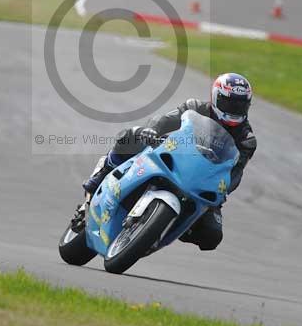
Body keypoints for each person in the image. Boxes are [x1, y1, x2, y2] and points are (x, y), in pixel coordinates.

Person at [81, 72, 257, 251]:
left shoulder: (246, 139)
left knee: (211, 236)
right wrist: (151, 131)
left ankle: (165, 227)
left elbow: (236, 172)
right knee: (130, 137)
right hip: (172, 155)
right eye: (230, 103)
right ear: (215, 97)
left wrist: (224, 188)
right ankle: (98, 178)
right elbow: (163, 122)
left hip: (205, 181)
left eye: (240, 105)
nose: (234, 109)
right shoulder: (194, 107)